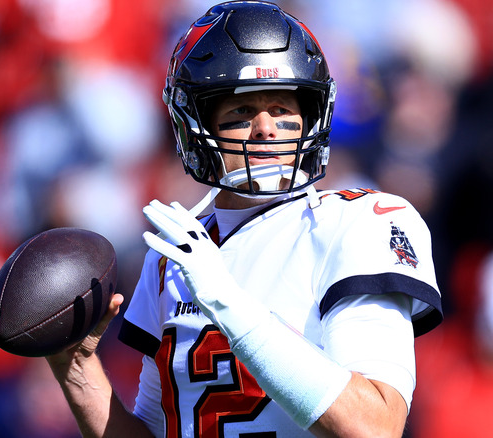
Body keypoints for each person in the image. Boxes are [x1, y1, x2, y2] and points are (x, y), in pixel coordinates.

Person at [45, 2, 443, 437]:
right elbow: (155, 429)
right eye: (240, 112)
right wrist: (78, 372)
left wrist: (228, 302)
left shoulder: (357, 223)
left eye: (282, 108)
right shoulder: (174, 255)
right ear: (196, 125)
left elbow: (376, 427)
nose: (266, 128)